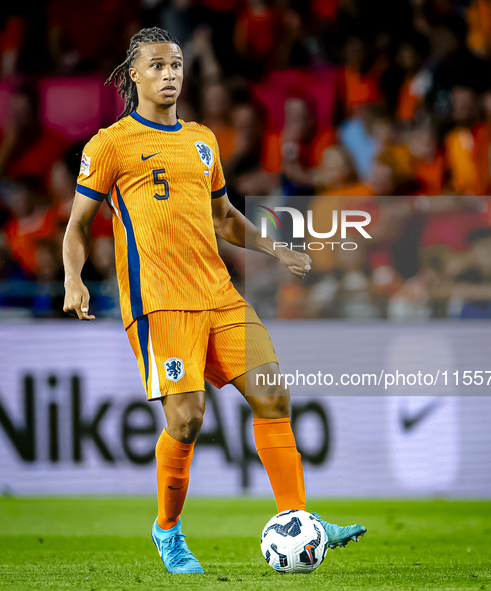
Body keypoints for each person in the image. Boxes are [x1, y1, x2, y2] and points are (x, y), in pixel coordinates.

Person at [62, 27, 366, 575]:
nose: (170, 73)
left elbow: (224, 218)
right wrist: (73, 279)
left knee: (273, 395)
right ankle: (168, 533)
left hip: (220, 295)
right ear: (134, 76)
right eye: (156, 65)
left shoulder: (202, 140)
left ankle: (300, 520)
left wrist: (277, 249)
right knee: (186, 420)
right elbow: (78, 225)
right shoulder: (110, 144)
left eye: (176, 64)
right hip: (159, 302)